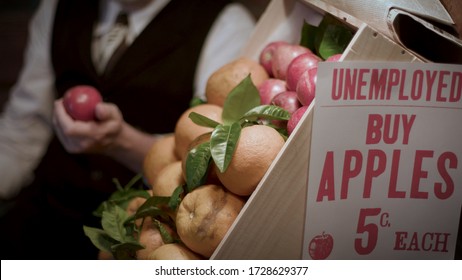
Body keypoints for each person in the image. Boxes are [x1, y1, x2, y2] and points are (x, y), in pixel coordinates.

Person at [0, 0, 256, 259]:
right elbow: (23, 129)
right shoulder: (57, 7)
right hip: (43, 214)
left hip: (137, 232)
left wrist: (119, 142)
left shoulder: (226, 23)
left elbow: (206, 162)